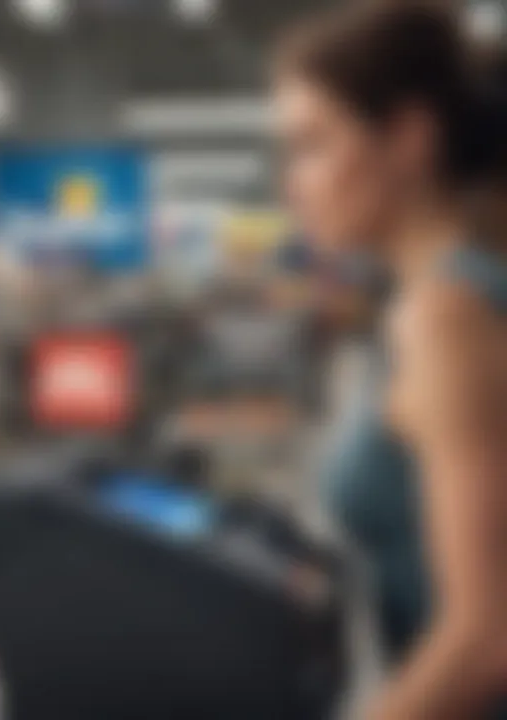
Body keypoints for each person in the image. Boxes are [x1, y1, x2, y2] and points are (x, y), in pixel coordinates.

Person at [274, 1, 507, 718]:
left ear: (407, 137)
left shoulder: (448, 319)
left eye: (312, 145)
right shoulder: (438, 300)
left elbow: (486, 640)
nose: (293, 182)